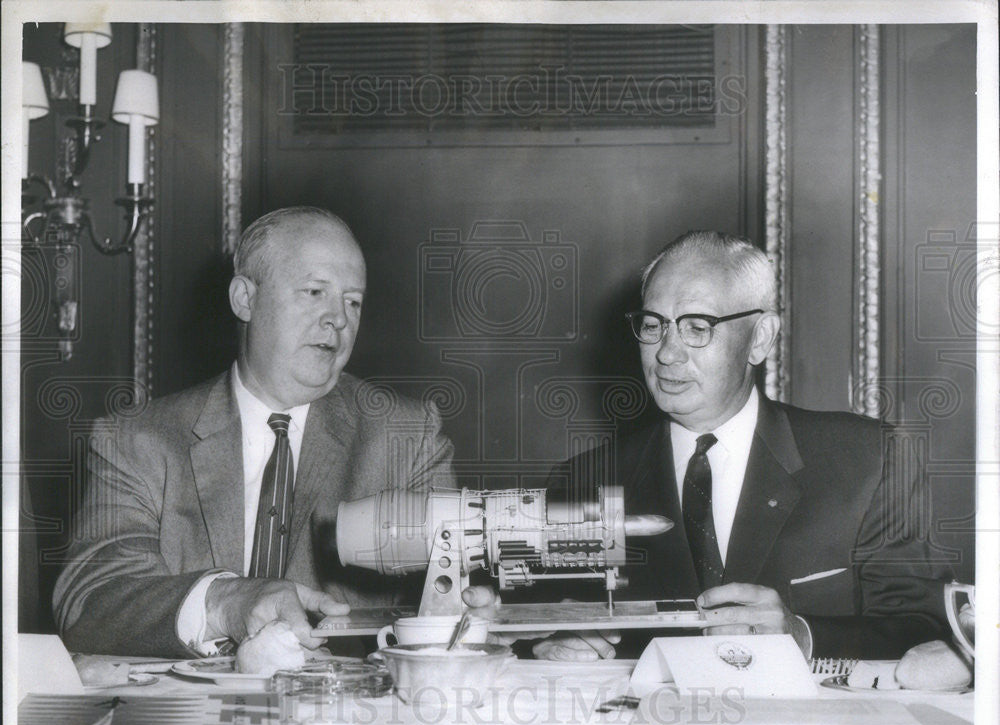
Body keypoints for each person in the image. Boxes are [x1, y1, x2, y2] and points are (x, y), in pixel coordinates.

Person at [53, 207, 456, 657]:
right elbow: (89, 602)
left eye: (353, 301)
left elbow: (443, 598)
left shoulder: (407, 437)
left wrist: (464, 606)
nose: (338, 319)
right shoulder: (138, 440)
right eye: (314, 291)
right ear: (244, 298)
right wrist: (225, 601)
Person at [542, 230, 952, 660]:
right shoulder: (583, 483)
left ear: (760, 338)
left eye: (696, 327)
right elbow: (548, 623)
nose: (667, 353)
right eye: (652, 325)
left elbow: (926, 629)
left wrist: (803, 635)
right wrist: (554, 643)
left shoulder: (869, 460)